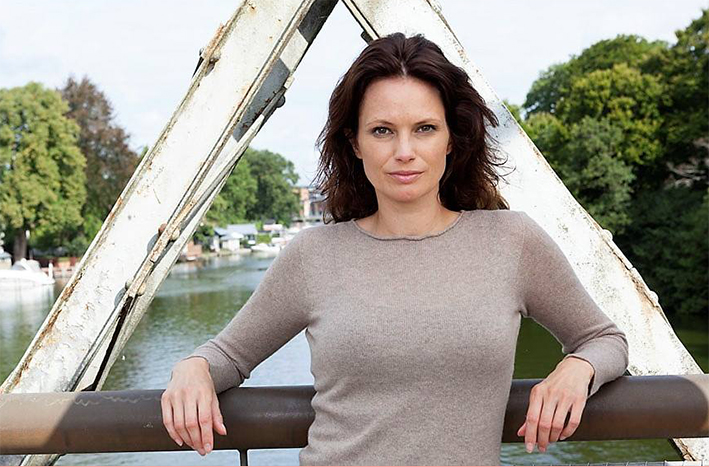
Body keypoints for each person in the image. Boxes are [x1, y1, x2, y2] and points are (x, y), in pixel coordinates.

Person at [161, 32, 629, 465]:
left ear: (452, 138)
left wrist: (577, 368)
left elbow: (605, 339)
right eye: (382, 130)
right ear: (355, 143)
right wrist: (192, 368)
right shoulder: (313, 255)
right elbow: (228, 356)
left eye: (424, 128)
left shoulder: (512, 241)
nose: (404, 151)